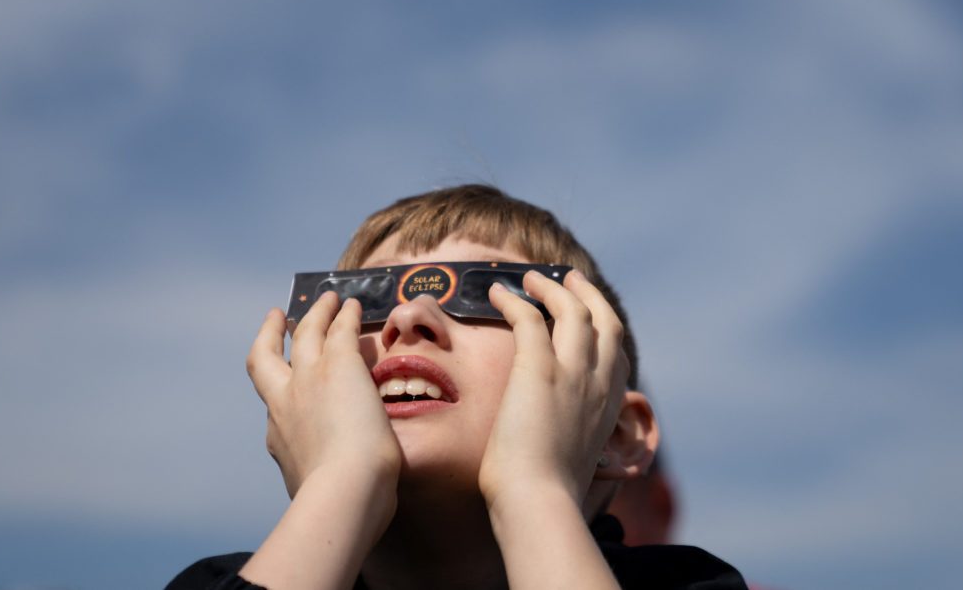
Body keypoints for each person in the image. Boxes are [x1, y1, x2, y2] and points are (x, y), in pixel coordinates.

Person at [167, 184, 747, 590]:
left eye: (482, 294)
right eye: (366, 302)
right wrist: (340, 483)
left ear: (615, 434)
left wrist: (533, 490)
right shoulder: (221, 582)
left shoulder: (691, 583)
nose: (409, 317)